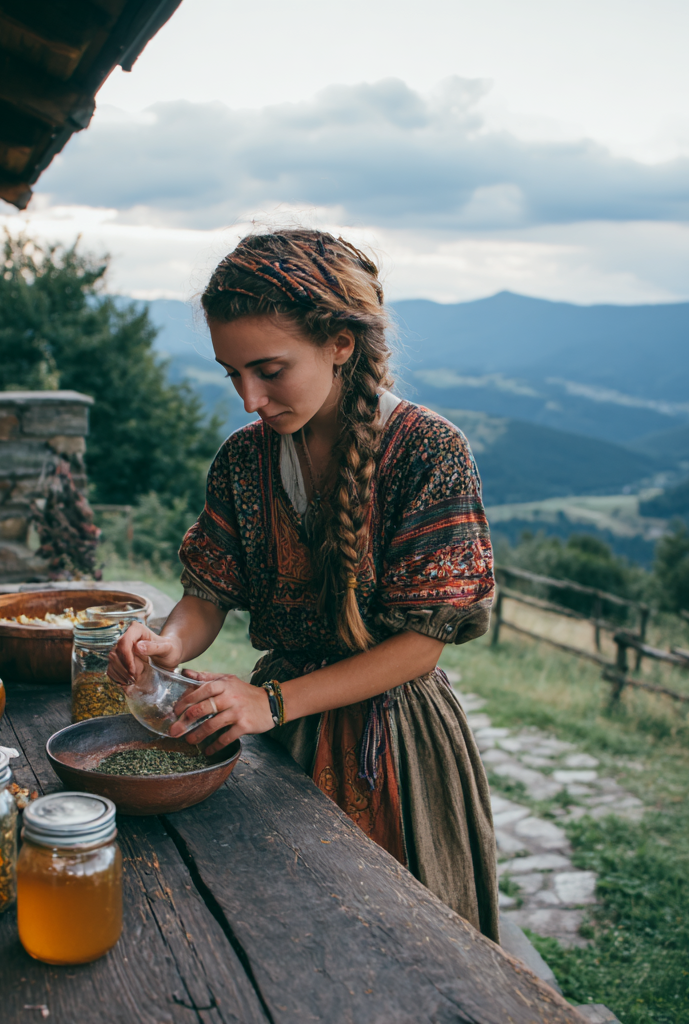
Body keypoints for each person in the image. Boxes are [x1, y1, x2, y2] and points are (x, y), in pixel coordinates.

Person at [108, 230, 498, 940]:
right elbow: (208, 596)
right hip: (279, 736)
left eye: (270, 370)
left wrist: (273, 701)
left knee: (400, 946)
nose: (250, 398)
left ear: (340, 344)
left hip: (396, 749)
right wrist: (166, 644)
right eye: (233, 374)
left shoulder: (428, 453)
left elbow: (421, 647)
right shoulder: (241, 461)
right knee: (285, 937)